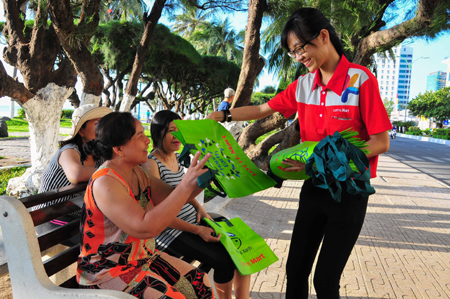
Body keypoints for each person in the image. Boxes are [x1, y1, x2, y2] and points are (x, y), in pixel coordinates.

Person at [206, 7, 391, 299]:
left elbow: (381, 142)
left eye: (300, 48)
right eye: (292, 53)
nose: (298, 57)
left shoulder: (360, 80)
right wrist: (226, 115)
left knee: (325, 281)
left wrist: (326, 160)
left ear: (323, 36)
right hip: (314, 190)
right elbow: (262, 109)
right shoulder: (304, 85)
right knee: (295, 273)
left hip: (349, 194)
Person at [78, 112, 215, 299]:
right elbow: (144, 228)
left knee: (200, 282)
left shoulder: (138, 173)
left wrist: (209, 173)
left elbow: (172, 197)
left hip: (143, 258)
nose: (148, 141)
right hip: (107, 271)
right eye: (140, 135)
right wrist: (185, 185)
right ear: (119, 149)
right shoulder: (105, 182)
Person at [141, 110, 251, 299]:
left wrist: (200, 208)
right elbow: (159, 213)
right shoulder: (152, 164)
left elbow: (180, 191)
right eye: (172, 131)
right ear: (158, 132)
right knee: (224, 261)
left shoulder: (174, 156)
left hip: (192, 221)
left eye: (181, 131)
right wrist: (196, 229)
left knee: (241, 249)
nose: (178, 137)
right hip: (170, 231)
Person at [38, 104, 112, 208]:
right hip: (50, 215)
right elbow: (76, 175)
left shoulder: (99, 153)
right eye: (97, 125)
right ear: (81, 131)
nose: (103, 130)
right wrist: (114, 172)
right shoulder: (69, 149)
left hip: (75, 215)